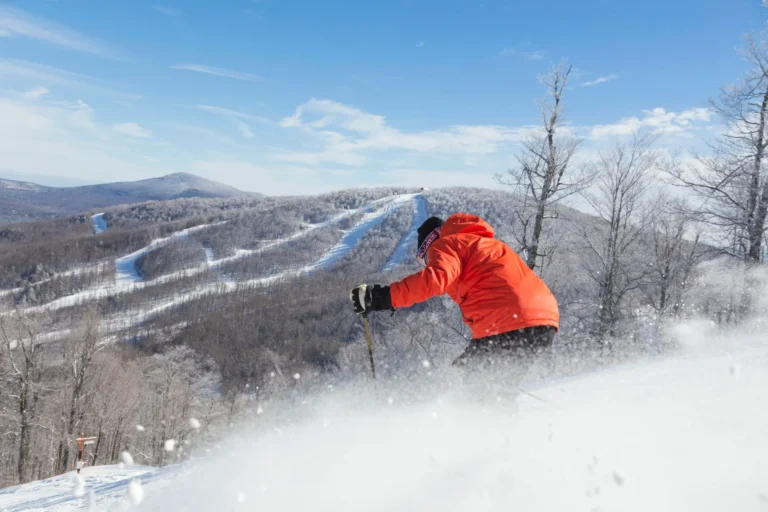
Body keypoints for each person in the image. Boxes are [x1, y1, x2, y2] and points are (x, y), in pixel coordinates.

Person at [350, 213, 559, 392]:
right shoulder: (489, 244)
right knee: (475, 375)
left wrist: (382, 297)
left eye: (424, 259)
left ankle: (492, 424)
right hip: (543, 320)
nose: (427, 263)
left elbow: (435, 279)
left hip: (508, 321)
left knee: (481, 391)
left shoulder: (447, 244)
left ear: (430, 244)